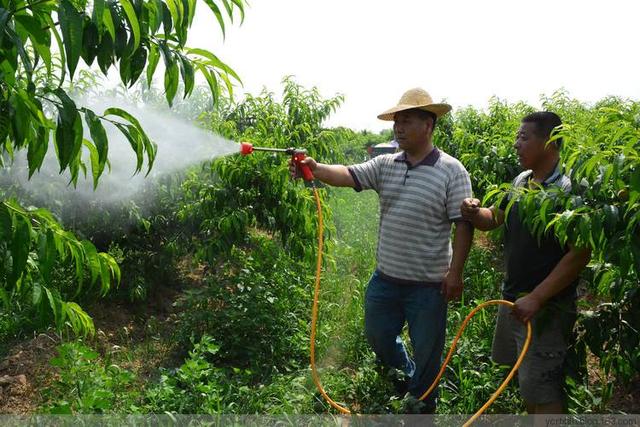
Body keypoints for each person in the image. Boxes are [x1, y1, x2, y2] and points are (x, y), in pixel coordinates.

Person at [290, 88, 473, 413]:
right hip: (386, 279)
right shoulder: (387, 163)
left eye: (406, 121)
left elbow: (464, 224)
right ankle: (405, 380)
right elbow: (349, 174)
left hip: (429, 286)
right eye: (396, 122)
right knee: (378, 336)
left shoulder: (452, 170)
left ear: (428, 125)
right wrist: (316, 169)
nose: (398, 128)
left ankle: (421, 410)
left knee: (428, 352)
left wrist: (455, 272)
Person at [460, 111, 591, 414]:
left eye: (524, 137)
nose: (516, 145)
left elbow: (580, 253)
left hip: (546, 310)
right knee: (529, 385)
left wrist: (537, 297)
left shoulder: (568, 190)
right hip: (515, 300)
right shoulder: (522, 180)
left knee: (543, 392)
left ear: (551, 142)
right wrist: (472, 211)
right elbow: (493, 218)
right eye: (516, 138)